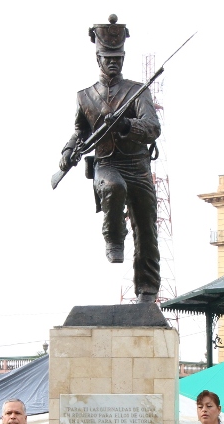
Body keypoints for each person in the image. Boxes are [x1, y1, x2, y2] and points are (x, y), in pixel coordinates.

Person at [58, 15, 162, 303]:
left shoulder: (138, 91)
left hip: (138, 166)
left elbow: (153, 127)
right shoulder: (85, 97)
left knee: (147, 230)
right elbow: (81, 131)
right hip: (107, 164)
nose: (114, 62)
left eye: (118, 58)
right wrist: (67, 151)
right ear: (98, 59)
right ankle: (114, 237)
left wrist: (126, 125)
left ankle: (147, 291)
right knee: (114, 187)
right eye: (108, 58)